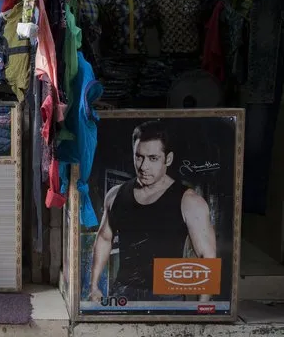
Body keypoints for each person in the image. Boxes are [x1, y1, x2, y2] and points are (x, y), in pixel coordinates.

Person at [89, 121, 216, 303]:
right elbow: (104, 238)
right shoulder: (116, 194)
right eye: (139, 157)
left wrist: (202, 308)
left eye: (153, 158)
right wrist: (94, 287)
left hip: (167, 293)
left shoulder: (189, 200)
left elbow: (207, 256)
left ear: (168, 159)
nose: (143, 166)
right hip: (123, 291)